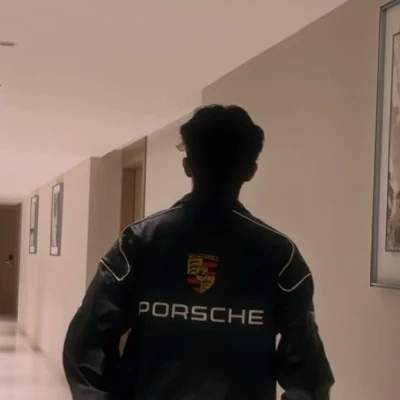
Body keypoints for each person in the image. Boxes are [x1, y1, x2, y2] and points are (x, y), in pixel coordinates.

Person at [63, 105, 334, 400]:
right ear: (250, 171)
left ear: (187, 166)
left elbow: (86, 346)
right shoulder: (280, 256)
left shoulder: (138, 242)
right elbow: (308, 374)